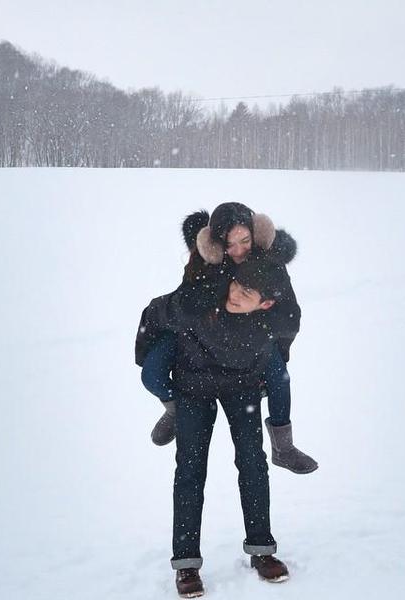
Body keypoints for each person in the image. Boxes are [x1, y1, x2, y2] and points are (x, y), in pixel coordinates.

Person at [137, 257, 298, 597]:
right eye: (236, 286)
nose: (235, 295)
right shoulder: (203, 300)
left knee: (253, 464)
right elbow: (158, 315)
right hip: (192, 389)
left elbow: (281, 363)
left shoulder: (266, 325)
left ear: (265, 304)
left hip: (241, 389)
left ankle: (262, 550)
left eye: (247, 294)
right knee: (190, 471)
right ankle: (186, 564)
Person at [136, 202, 317, 474]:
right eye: (230, 244)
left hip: (250, 337)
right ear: (218, 243)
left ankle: (283, 447)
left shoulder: (268, 262)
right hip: (195, 333)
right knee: (151, 373)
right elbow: (185, 300)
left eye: (244, 241)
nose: (239, 250)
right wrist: (192, 308)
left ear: (255, 235)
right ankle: (175, 410)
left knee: (280, 377)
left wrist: (264, 337)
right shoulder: (206, 258)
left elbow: (288, 315)